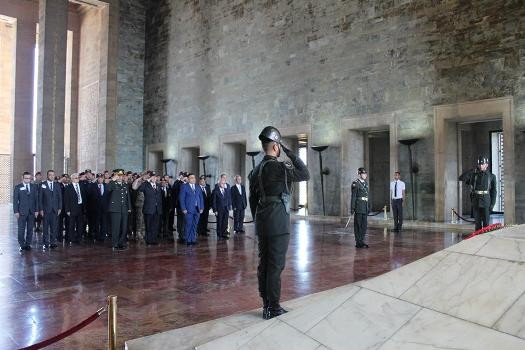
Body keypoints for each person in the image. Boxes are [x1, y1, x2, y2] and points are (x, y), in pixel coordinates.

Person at [248, 126, 310, 319]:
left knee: (264, 265)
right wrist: (289, 152)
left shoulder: (255, 171)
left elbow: (252, 200)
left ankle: (266, 304)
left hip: (263, 221)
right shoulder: (280, 167)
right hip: (278, 222)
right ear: (276, 147)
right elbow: (305, 173)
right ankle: (273, 308)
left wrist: (258, 219)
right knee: (275, 266)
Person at [133, 171, 163, 245]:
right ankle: (148, 240)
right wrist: (146, 181)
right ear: (150, 178)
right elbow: (139, 189)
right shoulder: (146, 185)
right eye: (152, 177)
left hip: (157, 209)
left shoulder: (158, 185)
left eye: (155, 177)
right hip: (149, 209)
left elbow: (159, 197)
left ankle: (154, 240)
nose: (154, 178)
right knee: (148, 226)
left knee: (155, 226)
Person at [469, 156, 497, 230]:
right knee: (477, 224)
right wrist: (472, 201)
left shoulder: (492, 176)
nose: (481, 166)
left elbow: (494, 191)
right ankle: (478, 240)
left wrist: (492, 204)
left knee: (486, 224)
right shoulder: (474, 175)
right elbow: (471, 190)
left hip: (486, 202)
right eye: (479, 164)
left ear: (486, 165)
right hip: (476, 202)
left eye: (482, 164)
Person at [13, 172, 39, 251]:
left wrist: (36, 210)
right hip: (21, 212)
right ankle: (22, 244)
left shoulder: (34, 186)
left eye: (29, 178)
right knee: (21, 229)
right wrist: (16, 211)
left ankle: (28, 244)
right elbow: (15, 200)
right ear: (23, 178)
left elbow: (36, 199)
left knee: (30, 229)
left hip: (32, 211)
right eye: (26, 178)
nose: (28, 179)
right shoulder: (18, 187)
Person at [108, 169, 132, 250]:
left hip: (124, 209)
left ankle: (121, 243)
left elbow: (127, 197)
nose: (120, 177)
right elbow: (107, 189)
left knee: (124, 227)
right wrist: (112, 180)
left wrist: (129, 207)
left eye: (121, 175)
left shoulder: (125, 185)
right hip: (115, 209)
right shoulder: (112, 184)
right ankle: (115, 244)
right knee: (116, 227)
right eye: (118, 175)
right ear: (115, 175)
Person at [39, 169, 63, 248]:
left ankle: (53, 242)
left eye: (53, 175)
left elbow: (60, 197)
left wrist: (59, 208)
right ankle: (45, 242)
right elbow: (40, 198)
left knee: (54, 227)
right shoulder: (42, 184)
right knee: (45, 227)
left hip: (55, 209)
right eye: (50, 175)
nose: (52, 176)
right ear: (47, 176)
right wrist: (41, 209)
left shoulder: (57, 185)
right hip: (45, 210)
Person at [178, 173, 204, 245]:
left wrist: (201, 207)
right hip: (188, 209)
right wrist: (183, 208)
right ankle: (188, 240)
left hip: (197, 209)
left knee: (195, 225)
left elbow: (201, 198)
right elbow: (181, 198)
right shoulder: (184, 186)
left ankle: (193, 239)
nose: (193, 179)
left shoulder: (198, 187)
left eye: (194, 178)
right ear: (188, 179)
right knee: (188, 225)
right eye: (192, 178)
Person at [64, 173, 86, 244]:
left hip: (80, 207)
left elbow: (84, 197)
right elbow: (66, 200)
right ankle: (71, 238)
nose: (77, 179)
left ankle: (79, 238)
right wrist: (67, 210)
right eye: (76, 178)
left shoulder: (81, 186)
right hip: (72, 208)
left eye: (78, 178)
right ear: (72, 179)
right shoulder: (68, 187)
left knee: (80, 224)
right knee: (72, 225)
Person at [351, 168, 370, 249]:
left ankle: (361, 241)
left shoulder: (366, 183)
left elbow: (367, 196)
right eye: (363, 174)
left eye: (365, 174)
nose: (365, 175)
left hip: (365, 207)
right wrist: (352, 208)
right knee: (358, 225)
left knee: (364, 226)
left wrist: (369, 206)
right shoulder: (355, 184)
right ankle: (358, 242)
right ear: (359, 174)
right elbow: (353, 197)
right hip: (358, 207)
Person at [92, 174, 109, 241]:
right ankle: (97, 236)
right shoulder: (93, 186)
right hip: (96, 208)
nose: (100, 179)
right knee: (96, 222)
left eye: (101, 178)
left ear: (103, 179)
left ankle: (103, 236)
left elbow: (108, 196)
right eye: (98, 178)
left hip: (104, 208)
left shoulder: (106, 186)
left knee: (104, 222)